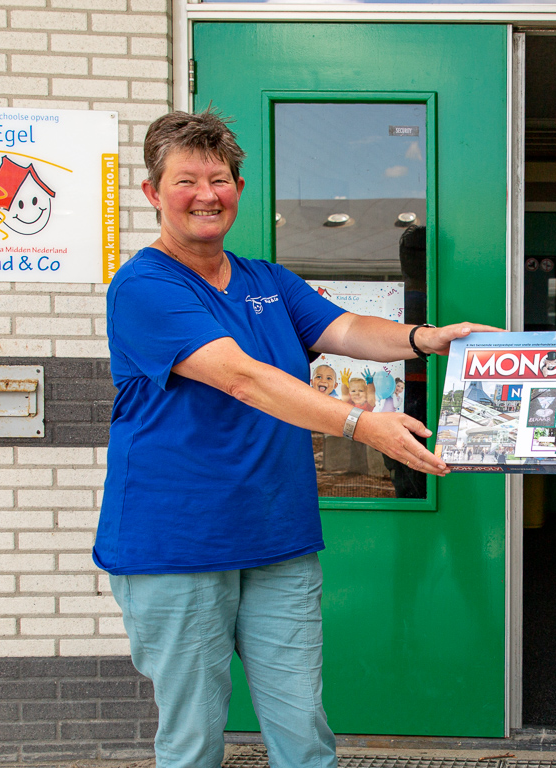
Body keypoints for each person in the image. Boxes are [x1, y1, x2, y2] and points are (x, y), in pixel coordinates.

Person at [95, 110, 494, 768]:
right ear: (152, 192)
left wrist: (427, 338)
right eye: (186, 180)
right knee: (194, 736)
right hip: (177, 542)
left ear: (239, 188)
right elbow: (242, 378)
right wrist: (364, 425)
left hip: (277, 537)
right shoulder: (143, 286)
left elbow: (349, 330)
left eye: (219, 179)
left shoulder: (266, 282)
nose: (206, 194)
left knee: (302, 726)